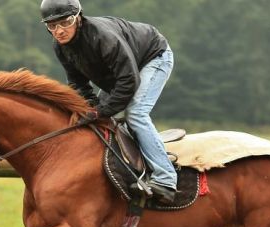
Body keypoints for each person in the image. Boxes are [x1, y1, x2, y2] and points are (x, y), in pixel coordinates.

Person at [40, 0, 177, 204]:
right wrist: (91, 108)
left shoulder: (103, 37)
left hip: (152, 57)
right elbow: (77, 83)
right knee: (96, 116)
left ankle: (166, 180)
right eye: (52, 26)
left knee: (135, 113)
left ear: (78, 17)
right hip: (121, 72)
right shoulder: (61, 47)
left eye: (65, 22)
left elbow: (129, 81)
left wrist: (100, 111)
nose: (59, 31)